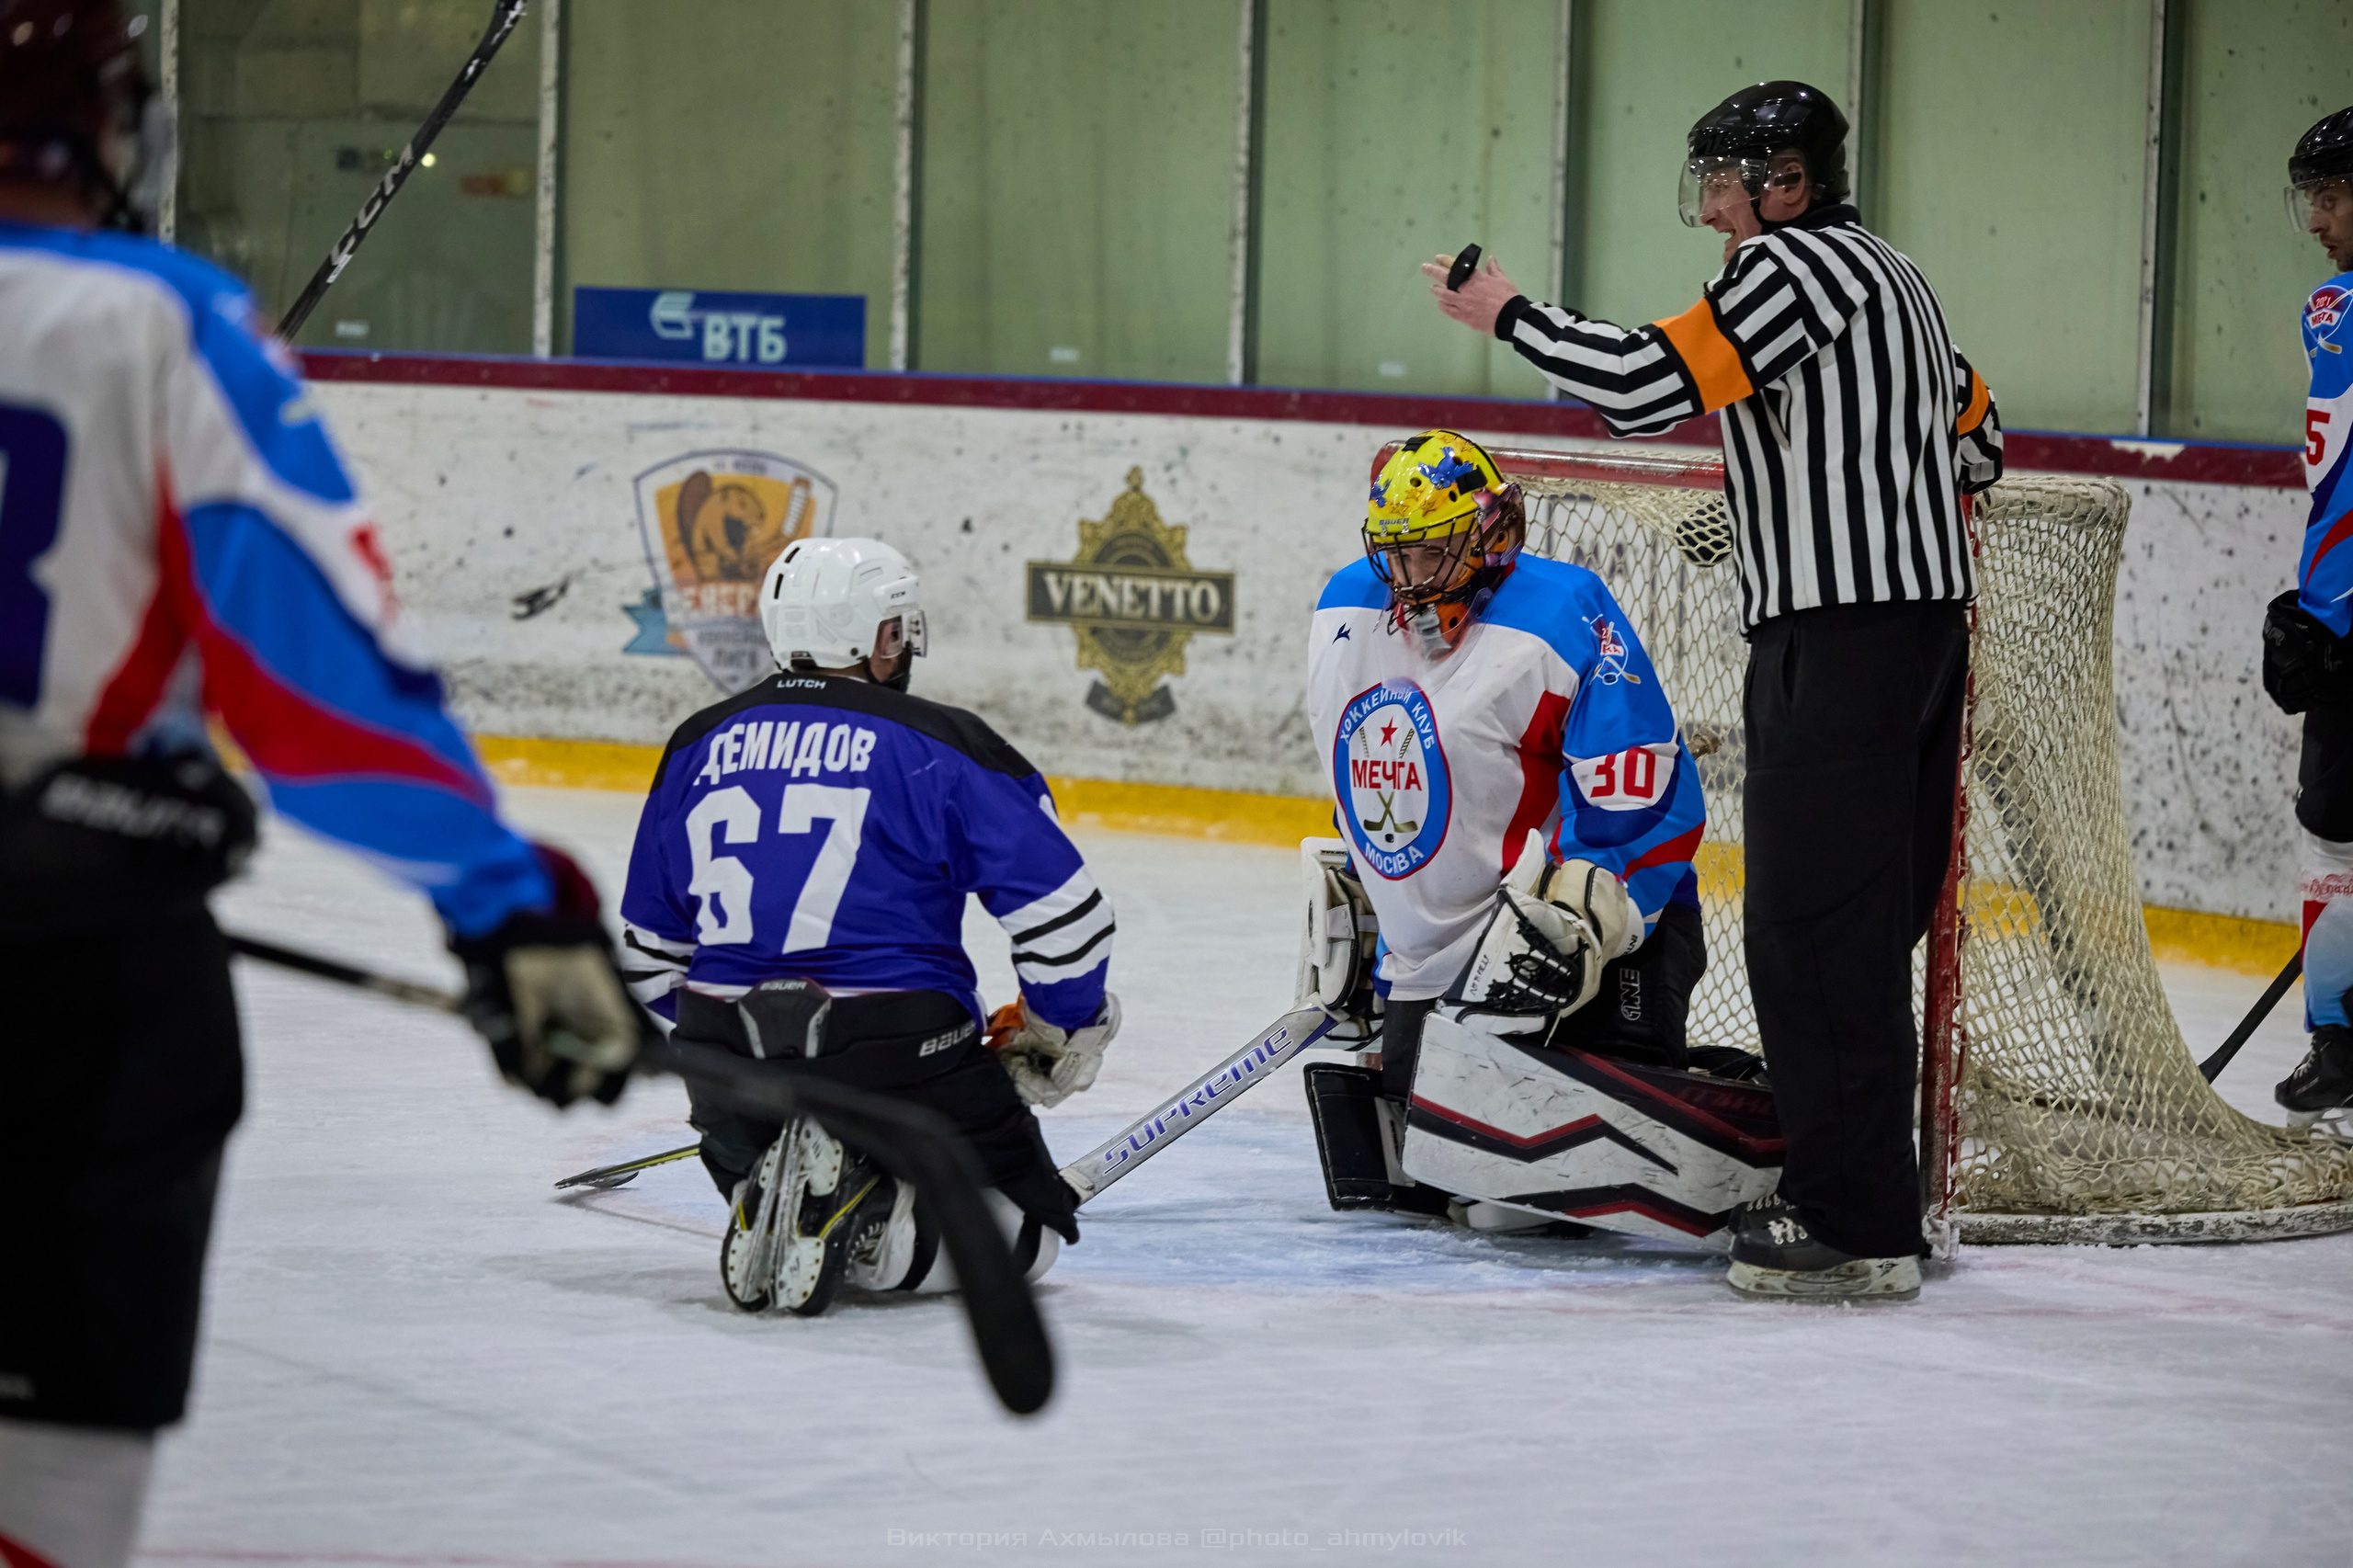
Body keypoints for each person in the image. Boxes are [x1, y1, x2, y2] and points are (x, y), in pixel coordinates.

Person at [0, 4, 641, 1564]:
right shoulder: (158, 322)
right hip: (64, 993)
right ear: (107, 128)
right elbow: (315, 686)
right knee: (40, 1490)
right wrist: (507, 906)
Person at [1423, 82, 2003, 1301]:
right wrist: (1795, 489)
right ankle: (1865, 1187)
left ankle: (1856, 1222)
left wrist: (1507, 310)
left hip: (1837, 640)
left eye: (1723, 182)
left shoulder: (1787, 270)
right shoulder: (1895, 274)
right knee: (1861, 920)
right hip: (1918, 634)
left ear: (1784, 183)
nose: (1710, 210)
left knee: (1809, 929)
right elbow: (1977, 434)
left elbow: (1644, 384)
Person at [1299, 429, 1779, 1247]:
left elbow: (1649, 790)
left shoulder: (1564, 610)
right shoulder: (1346, 606)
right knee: (1435, 1179)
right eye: (1397, 555)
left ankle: (1767, 1106)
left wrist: (1594, 904)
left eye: (1434, 554)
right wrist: (1375, 915)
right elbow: (1375, 765)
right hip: (1439, 961)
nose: (1410, 580)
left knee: (1530, 1202)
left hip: (1591, 943)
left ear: (1493, 534)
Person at [618, 536, 1120, 1314]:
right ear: (881, 638)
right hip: (899, 1045)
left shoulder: (695, 742)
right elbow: (1067, 923)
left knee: (744, 1105)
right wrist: (1056, 1032)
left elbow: (648, 959)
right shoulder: (947, 743)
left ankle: (779, 1174)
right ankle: (877, 1230)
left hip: (725, 1052)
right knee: (1027, 1237)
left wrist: (711, 1046)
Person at [2266, 104, 2353, 1136]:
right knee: (2330, 830)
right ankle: (2336, 1037)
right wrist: (2317, 608)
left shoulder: (2336, 308)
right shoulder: (2329, 305)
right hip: (2342, 616)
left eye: (2329, 197)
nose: (2316, 220)